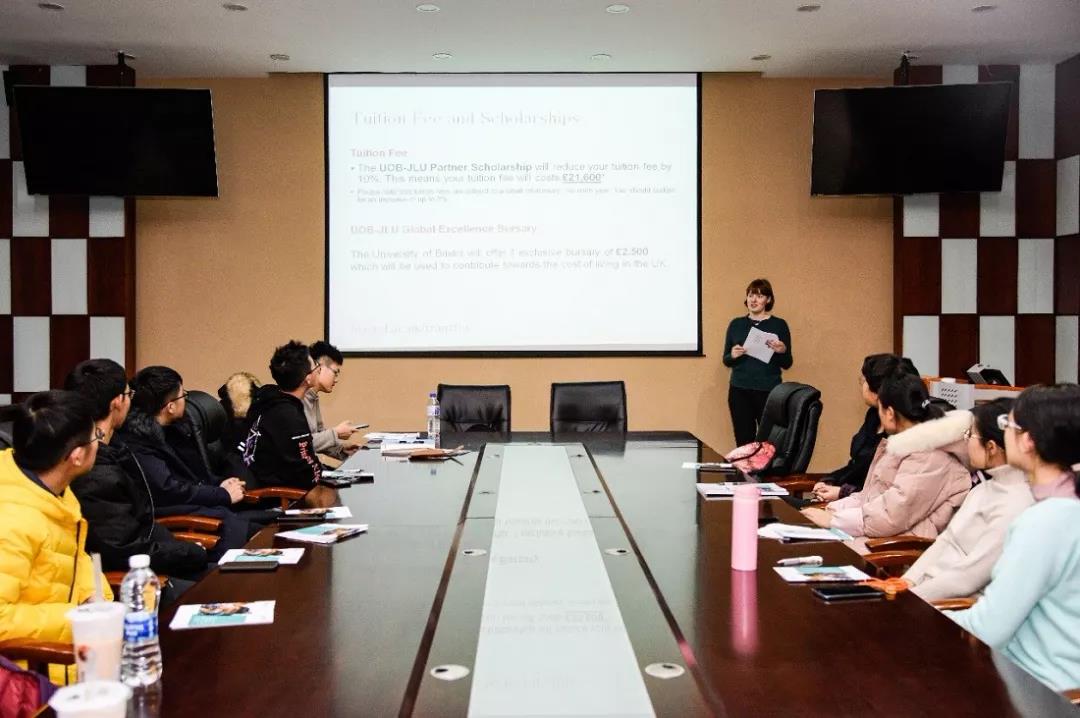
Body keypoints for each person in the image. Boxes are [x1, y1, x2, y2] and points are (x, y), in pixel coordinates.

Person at [949, 383, 1080, 692]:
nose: (1002, 431)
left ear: (1028, 440)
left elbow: (988, 628)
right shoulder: (1062, 507)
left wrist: (919, 619)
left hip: (1035, 685)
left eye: (1006, 424)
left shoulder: (1043, 522)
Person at [64, 359, 208, 590]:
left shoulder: (114, 447)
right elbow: (122, 549)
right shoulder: (93, 470)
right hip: (137, 580)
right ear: (117, 402)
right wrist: (189, 552)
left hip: (156, 553)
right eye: (128, 394)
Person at [0, 391, 114, 683]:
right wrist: (77, 617)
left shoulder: (48, 485)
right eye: (96, 436)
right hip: (33, 678)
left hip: (78, 654)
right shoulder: (12, 521)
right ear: (76, 456)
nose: (99, 442)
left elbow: (72, 555)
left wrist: (95, 596)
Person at [801, 373, 970, 550]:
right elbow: (868, 496)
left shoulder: (931, 456)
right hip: (874, 535)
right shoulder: (902, 443)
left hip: (893, 550)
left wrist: (834, 520)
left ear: (889, 413)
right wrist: (832, 510)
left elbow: (892, 515)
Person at [902, 398, 1034, 601]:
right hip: (925, 593)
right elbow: (945, 540)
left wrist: (910, 597)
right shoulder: (982, 489)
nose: (966, 441)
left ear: (991, 447)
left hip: (951, 604)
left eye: (970, 435)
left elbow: (968, 578)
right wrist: (907, 582)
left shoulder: (1016, 503)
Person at [118, 366, 251, 559]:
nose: (186, 401)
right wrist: (222, 494)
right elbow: (168, 489)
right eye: (183, 395)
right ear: (170, 407)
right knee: (257, 535)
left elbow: (194, 476)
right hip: (182, 515)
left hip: (205, 505)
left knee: (270, 525)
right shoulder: (139, 442)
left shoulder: (177, 429)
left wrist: (221, 484)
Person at [811, 354, 919, 502]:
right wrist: (830, 480)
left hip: (865, 505)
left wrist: (843, 492)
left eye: (864, 380)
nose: (861, 383)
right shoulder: (873, 416)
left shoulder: (903, 432)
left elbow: (887, 491)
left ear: (878, 392)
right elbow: (856, 466)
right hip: (851, 503)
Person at [241, 340, 323, 489]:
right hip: (278, 494)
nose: (319, 369)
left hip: (277, 482)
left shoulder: (271, 399)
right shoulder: (288, 416)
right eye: (316, 366)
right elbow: (306, 474)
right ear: (307, 378)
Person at [722, 278, 793, 447]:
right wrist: (733, 355)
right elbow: (726, 360)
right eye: (750, 295)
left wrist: (782, 351)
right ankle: (745, 466)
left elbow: (787, 363)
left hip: (769, 391)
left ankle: (764, 467)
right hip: (740, 391)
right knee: (743, 441)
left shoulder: (779, 325)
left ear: (768, 300)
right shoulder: (736, 324)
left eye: (759, 296)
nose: (753, 300)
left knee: (768, 443)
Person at [305, 341, 360, 461]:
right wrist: (336, 433)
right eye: (335, 372)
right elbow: (301, 444)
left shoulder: (313, 397)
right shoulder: (298, 398)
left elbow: (318, 437)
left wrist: (341, 448)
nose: (336, 379)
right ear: (318, 367)